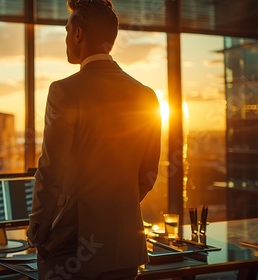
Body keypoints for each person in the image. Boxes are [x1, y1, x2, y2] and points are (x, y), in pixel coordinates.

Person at [27, 0, 162, 279]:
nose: (65, 39)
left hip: (72, 246)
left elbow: (51, 170)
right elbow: (148, 174)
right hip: (125, 247)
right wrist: (114, 209)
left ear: (78, 34)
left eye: (67, 31)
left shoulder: (64, 91)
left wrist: (37, 232)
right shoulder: (146, 95)